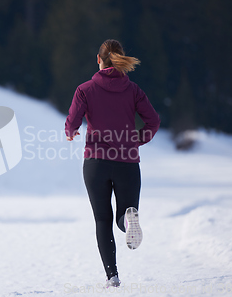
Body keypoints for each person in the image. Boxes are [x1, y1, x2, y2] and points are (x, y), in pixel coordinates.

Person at [64, 39, 160, 288]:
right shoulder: (134, 90)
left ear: (99, 59)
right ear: (120, 60)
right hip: (127, 161)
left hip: (95, 162)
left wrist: (70, 131)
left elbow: (73, 121)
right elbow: (153, 121)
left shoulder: (84, 89)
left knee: (102, 220)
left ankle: (112, 277)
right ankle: (128, 220)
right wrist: (135, 140)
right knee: (123, 213)